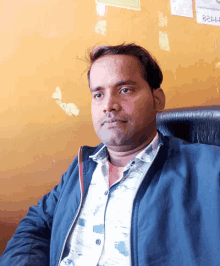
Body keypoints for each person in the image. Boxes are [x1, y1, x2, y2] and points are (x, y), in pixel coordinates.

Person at [1, 43, 220, 266]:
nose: (108, 105)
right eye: (98, 94)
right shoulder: (81, 169)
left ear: (158, 99)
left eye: (125, 90)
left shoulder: (210, 168)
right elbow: (35, 226)